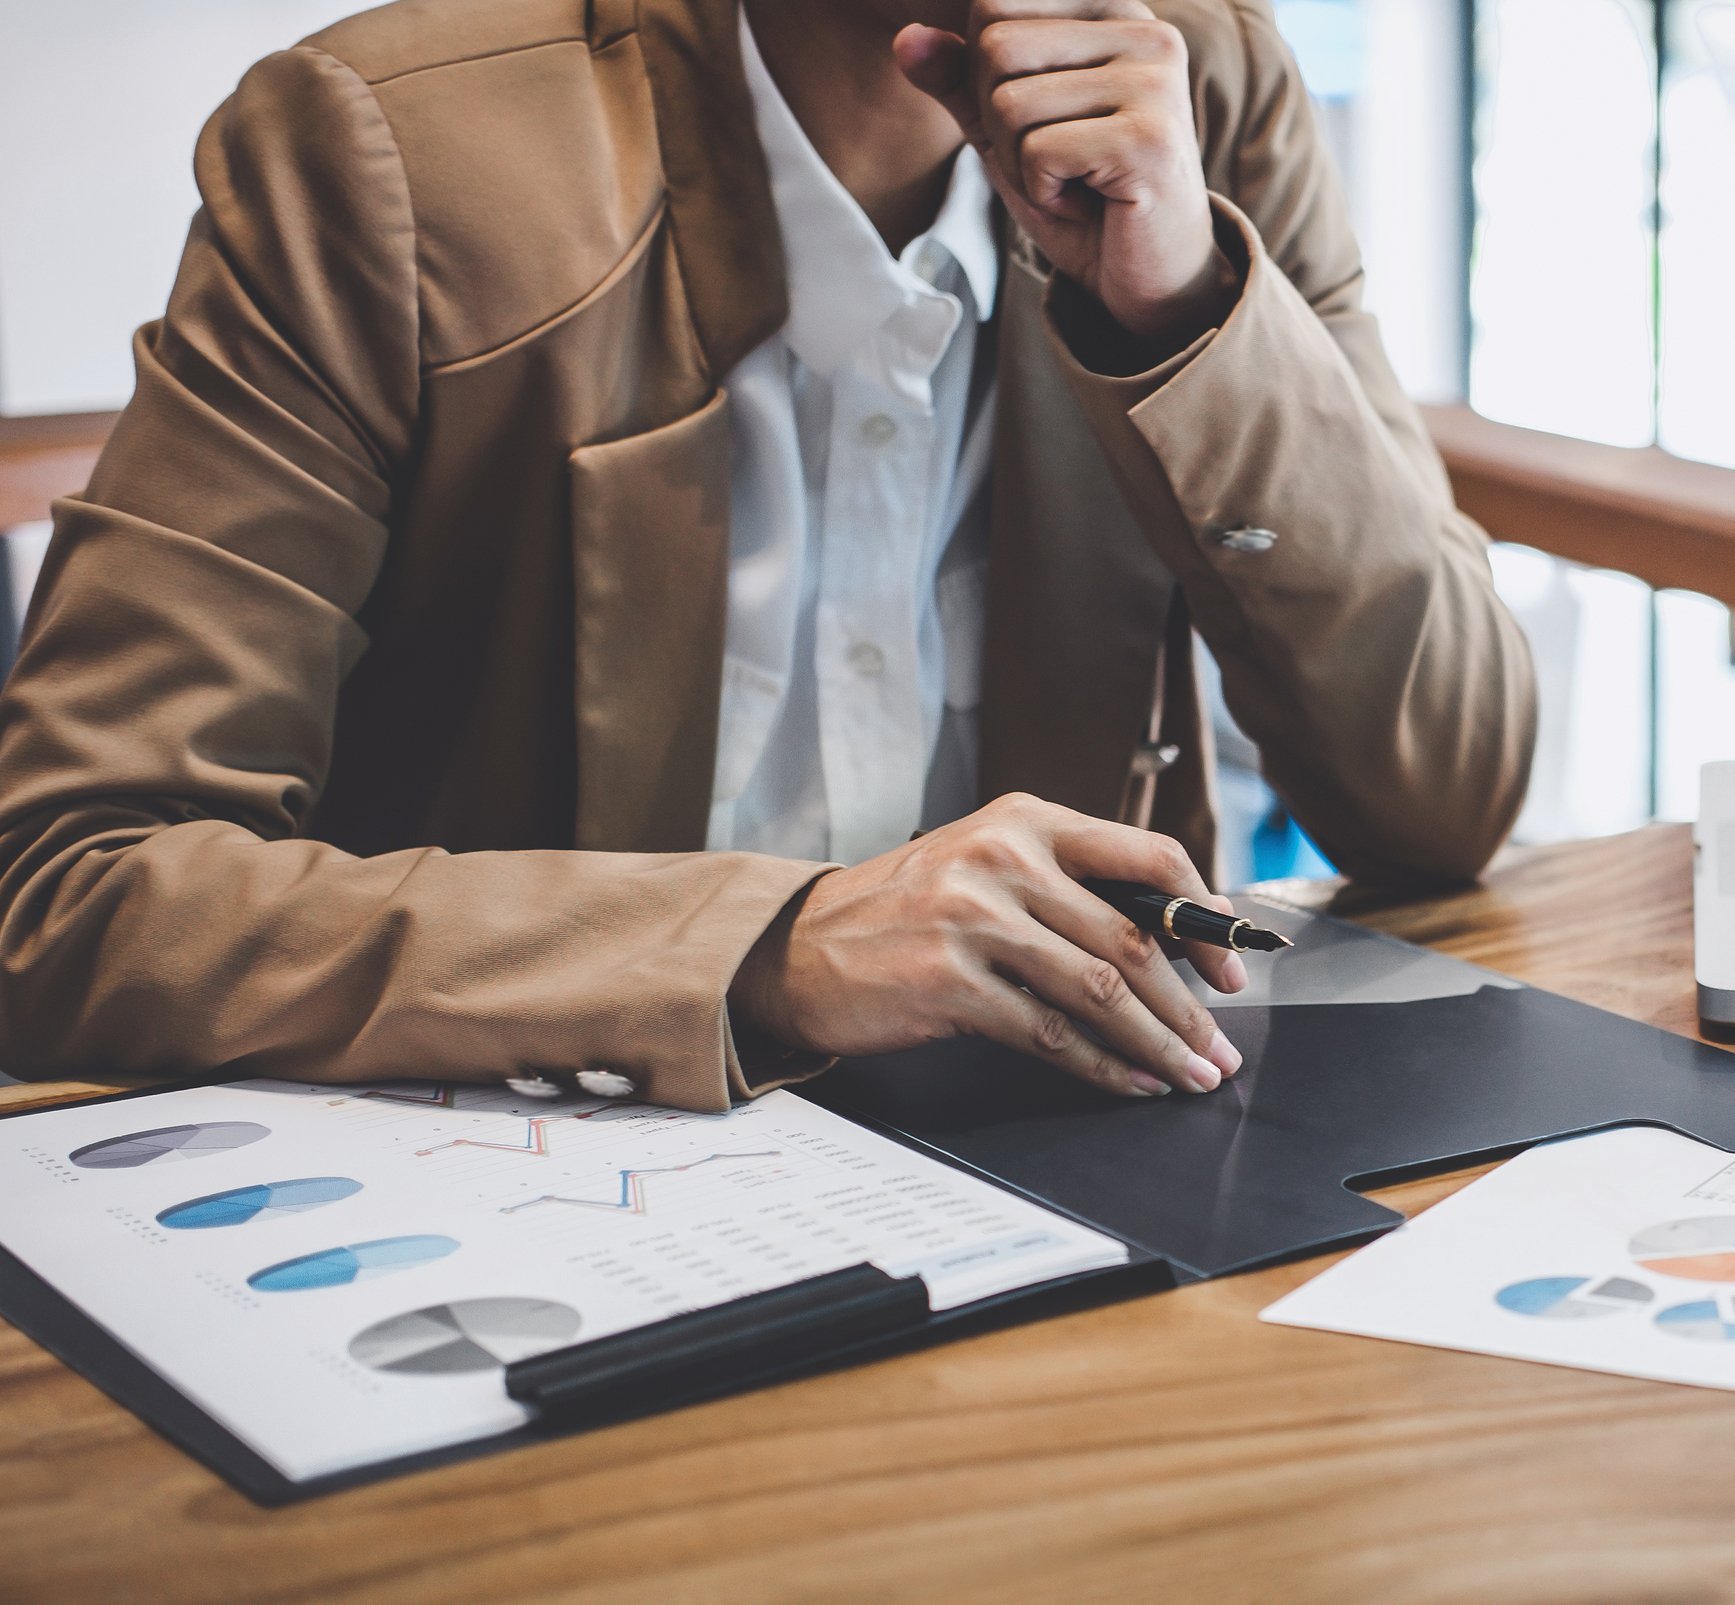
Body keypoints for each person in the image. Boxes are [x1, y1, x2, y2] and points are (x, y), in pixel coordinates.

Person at [0, 0, 1533, 1112]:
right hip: (522, 1213)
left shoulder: (1215, 86)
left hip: (1069, 1206)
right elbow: (68, 894)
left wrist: (1191, 316)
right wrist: (765, 946)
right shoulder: (390, 150)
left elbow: (1443, 792)